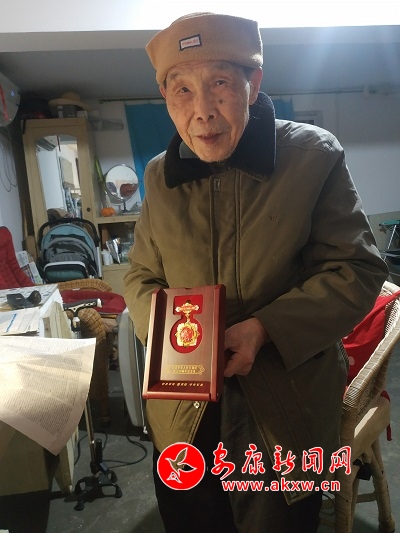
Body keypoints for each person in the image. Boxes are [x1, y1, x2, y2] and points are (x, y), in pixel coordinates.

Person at [124, 12, 388, 533]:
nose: (202, 111)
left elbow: (356, 268)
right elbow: (140, 276)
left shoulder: (313, 156)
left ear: (254, 82)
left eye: (220, 83)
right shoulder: (159, 175)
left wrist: (264, 328)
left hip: (284, 408)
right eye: (182, 90)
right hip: (183, 410)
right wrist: (176, 336)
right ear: (165, 97)